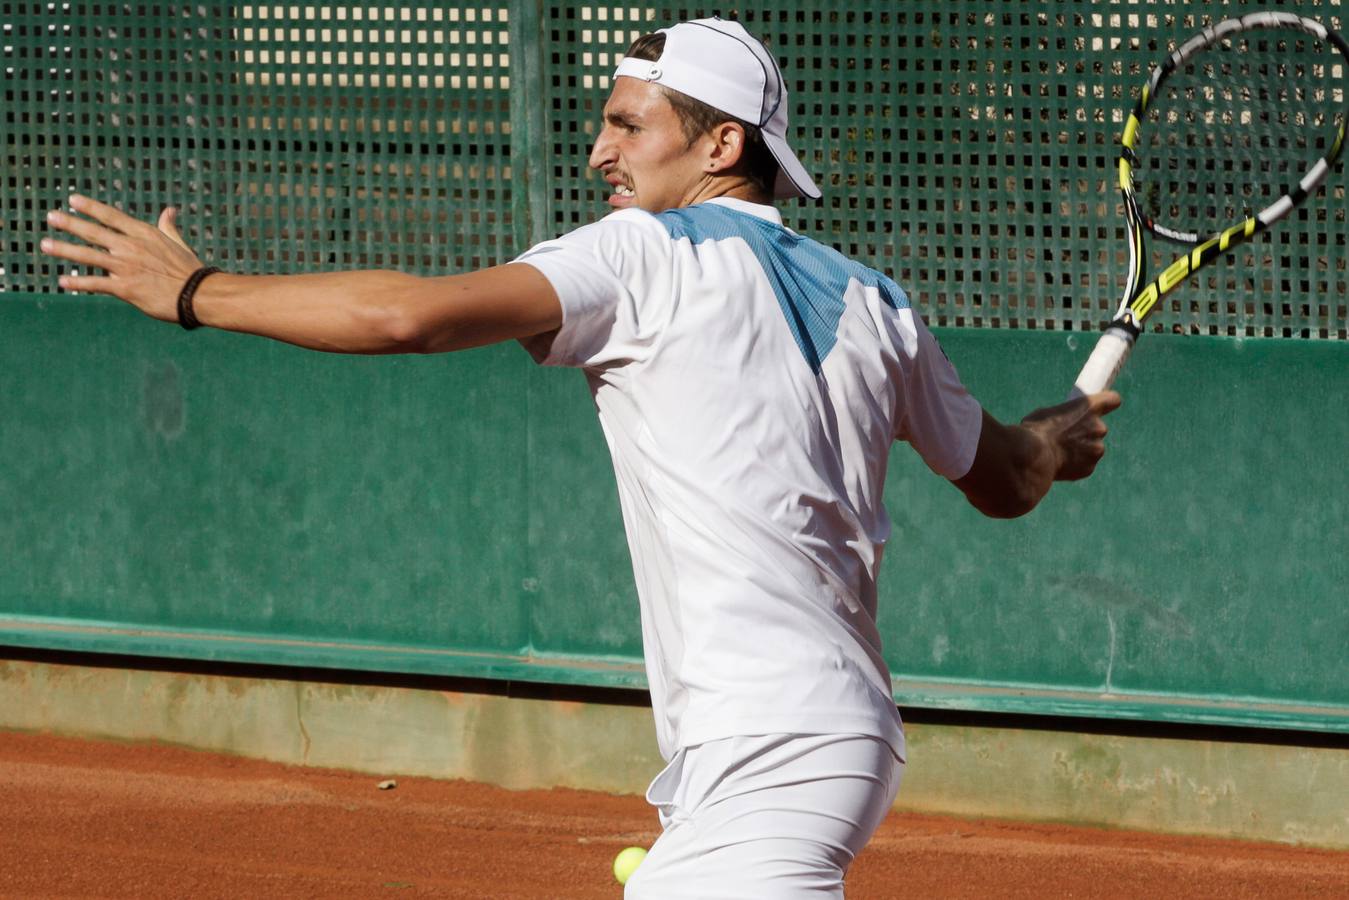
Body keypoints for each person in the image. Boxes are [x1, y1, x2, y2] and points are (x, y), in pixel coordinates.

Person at [38, 17, 1119, 898]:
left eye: (626, 125)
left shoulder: (643, 254)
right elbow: (1005, 478)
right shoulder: (877, 305)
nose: (599, 151)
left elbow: (407, 317)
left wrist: (196, 292)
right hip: (811, 743)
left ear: (721, 144)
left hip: (773, 750)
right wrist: (1051, 436)